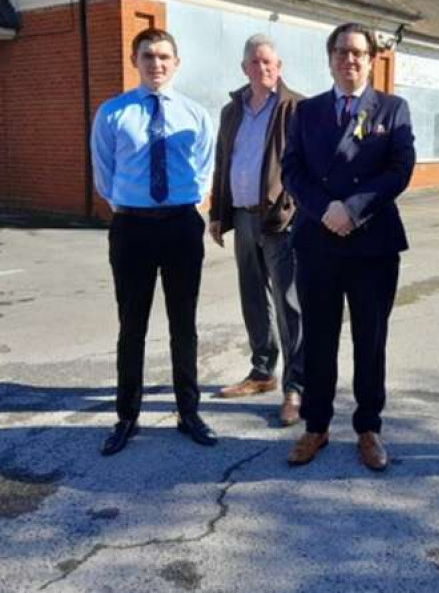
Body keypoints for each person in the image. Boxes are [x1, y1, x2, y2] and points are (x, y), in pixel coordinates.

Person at [281, 22, 415, 472]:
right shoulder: (306, 111)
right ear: (330, 58)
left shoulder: (393, 109)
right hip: (318, 241)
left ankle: (368, 428)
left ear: (371, 59)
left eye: (358, 52)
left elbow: (399, 170)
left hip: (372, 245)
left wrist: (352, 209)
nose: (349, 59)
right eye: (341, 51)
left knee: (370, 340)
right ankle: (315, 426)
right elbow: (291, 170)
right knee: (318, 339)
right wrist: (325, 210)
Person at [91, 27, 218, 455]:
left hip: (181, 226)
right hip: (132, 229)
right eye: (148, 56)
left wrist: (184, 205)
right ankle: (127, 416)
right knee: (133, 325)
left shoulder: (196, 115)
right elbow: (105, 175)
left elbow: (203, 170)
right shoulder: (112, 114)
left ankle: (189, 412)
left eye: (164, 56)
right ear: (135, 61)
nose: (156, 64)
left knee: (184, 324)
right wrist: (134, 204)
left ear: (176, 63)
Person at [209, 34, 305, 426]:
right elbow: (222, 162)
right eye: (255, 63)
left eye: (269, 63)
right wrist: (217, 213)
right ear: (244, 68)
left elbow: (307, 166)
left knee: (287, 303)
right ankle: (262, 371)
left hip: (280, 220)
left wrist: (291, 207)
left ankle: (295, 388)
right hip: (242, 216)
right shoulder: (231, 111)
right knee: (252, 296)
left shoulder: (296, 107)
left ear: (278, 67)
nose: (262, 69)